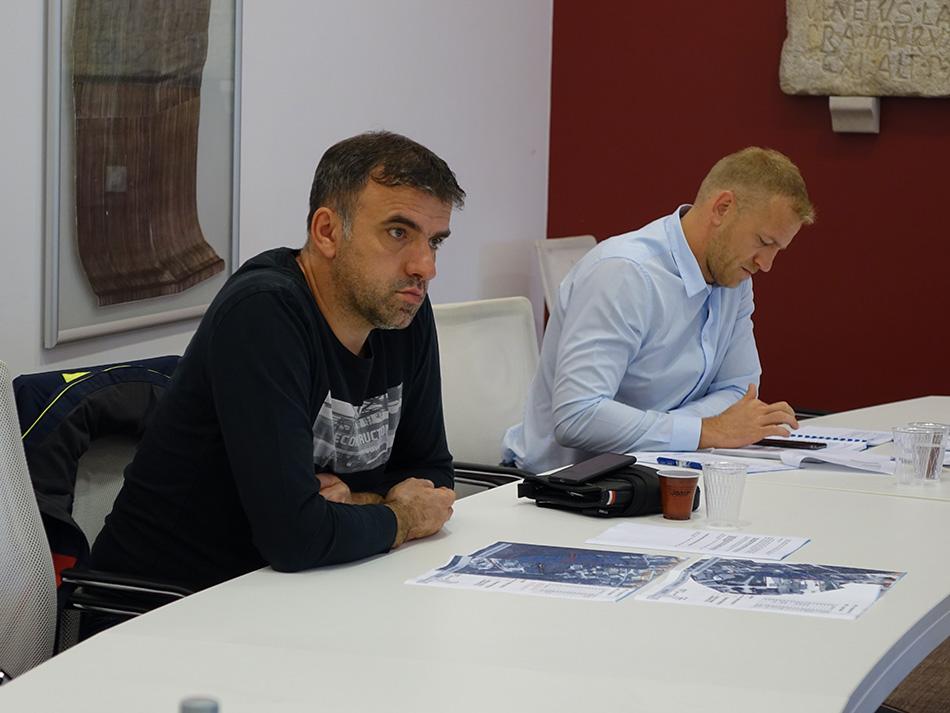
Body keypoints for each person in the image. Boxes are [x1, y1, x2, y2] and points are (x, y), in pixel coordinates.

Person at [88, 131, 463, 601]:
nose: (425, 267)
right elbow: (294, 536)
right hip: (166, 608)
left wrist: (356, 504)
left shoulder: (402, 312)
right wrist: (401, 515)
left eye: (435, 242)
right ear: (327, 232)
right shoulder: (264, 312)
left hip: (304, 593)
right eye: (398, 233)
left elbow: (433, 475)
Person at [503, 147, 815, 473]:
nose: (766, 264)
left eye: (778, 249)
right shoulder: (624, 273)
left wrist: (685, 430)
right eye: (764, 242)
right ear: (722, 208)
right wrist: (706, 430)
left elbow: (739, 390)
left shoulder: (734, 280)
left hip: (655, 472)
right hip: (562, 485)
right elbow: (578, 416)